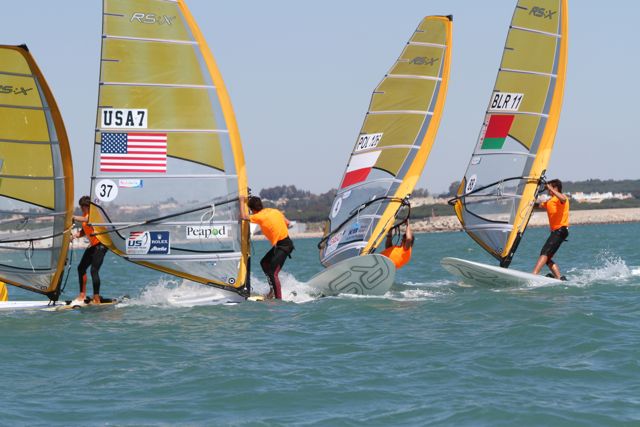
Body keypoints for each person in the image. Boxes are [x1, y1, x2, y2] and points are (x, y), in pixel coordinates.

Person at [241, 196, 294, 299]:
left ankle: (278, 300)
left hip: (284, 246)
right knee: (264, 263)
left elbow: (243, 216)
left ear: (252, 209)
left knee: (273, 272)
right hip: (283, 244)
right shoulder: (274, 211)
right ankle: (272, 291)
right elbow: (287, 222)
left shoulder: (258, 216)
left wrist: (241, 201)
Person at [71, 196, 108, 304]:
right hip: (93, 246)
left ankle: (96, 297)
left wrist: (73, 217)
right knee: (81, 268)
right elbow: (84, 231)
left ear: (87, 206)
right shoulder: (84, 216)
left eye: (83, 207)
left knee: (94, 270)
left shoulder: (93, 215)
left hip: (101, 245)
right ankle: (82, 295)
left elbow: (88, 220)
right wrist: (74, 236)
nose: (81, 209)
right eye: (81, 207)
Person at [532, 179, 569, 280]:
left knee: (545, 252)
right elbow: (538, 206)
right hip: (556, 232)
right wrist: (530, 202)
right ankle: (559, 278)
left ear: (555, 188)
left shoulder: (561, 198)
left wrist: (551, 188)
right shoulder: (550, 201)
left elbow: (563, 199)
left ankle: (534, 274)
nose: (548, 190)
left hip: (560, 230)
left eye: (550, 188)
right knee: (547, 258)